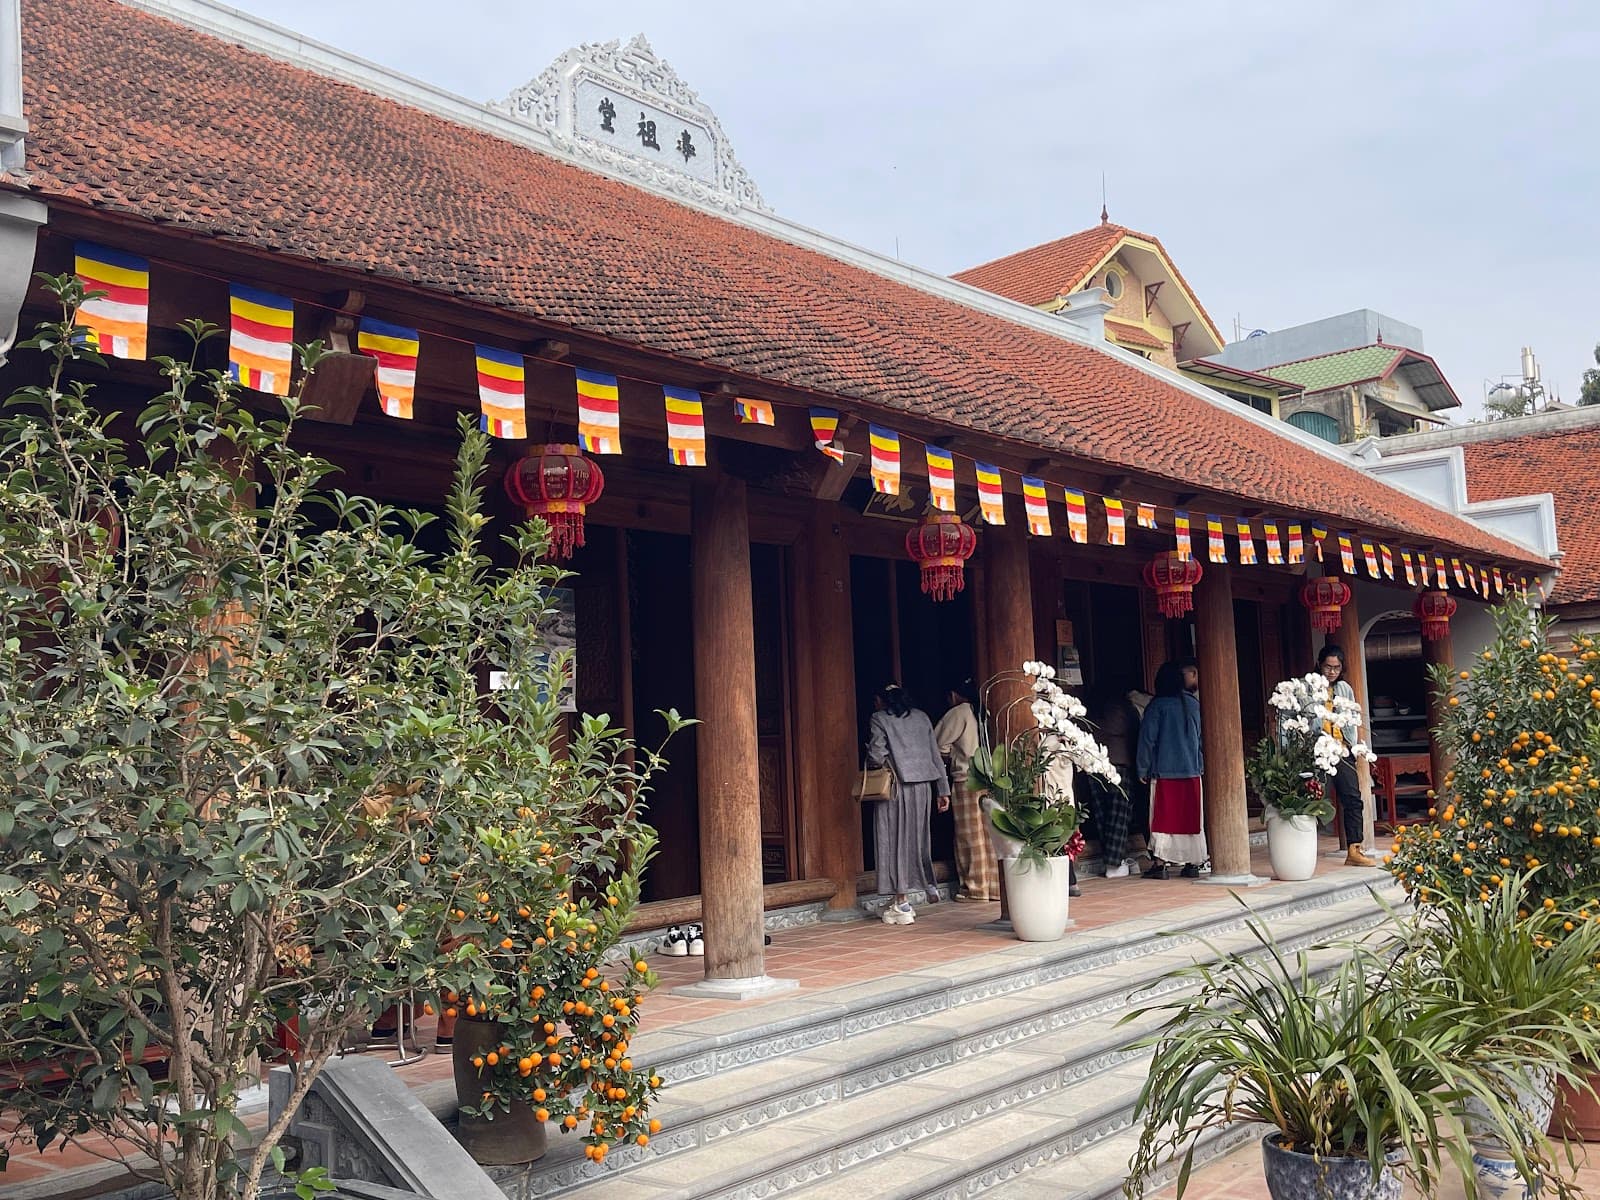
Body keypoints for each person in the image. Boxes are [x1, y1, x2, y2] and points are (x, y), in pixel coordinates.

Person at [866, 683, 952, 924]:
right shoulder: (922, 717)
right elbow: (935, 754)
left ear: (882, 701)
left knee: (892, 840)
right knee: (917, 839)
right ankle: (927, 885)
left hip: (896, 786)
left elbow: (876, 755)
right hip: (924, 787)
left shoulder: (879, 718)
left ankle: (902, 902)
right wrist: (943, 789)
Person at [1136, 661, 1207, 879]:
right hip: (1192, 771)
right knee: (1192, 821)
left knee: (1163, 821)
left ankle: (1160, 864)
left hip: (1165, 772)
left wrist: (1142, 768)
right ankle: (1193, 863)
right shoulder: (1193, 705)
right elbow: (1200, 740)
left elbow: (1147, 740)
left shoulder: (1157, 706)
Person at [934, 679, 996, 902]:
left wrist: (949, 755)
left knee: (969, 835)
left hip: (966, 777)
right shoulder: (983, 711)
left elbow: (937, 742)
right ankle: (995, 887)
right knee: (989, 834)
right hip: (988, 776)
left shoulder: (958, 712)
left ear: (953, 695)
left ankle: (976, 887)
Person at [1317, 645, 1376, 868]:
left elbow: (1352, 718)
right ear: (1320, 664)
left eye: (1336, 667)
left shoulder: (1344, 688)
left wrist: (1353, 746)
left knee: (1352, 799)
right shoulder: (1311, 686)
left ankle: (1355, 849)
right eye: (1328, 667)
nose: (1332, 672)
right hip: (1318, 750)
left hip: (1342, 749)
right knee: (1312, 799)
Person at [1092, 685, 1140, 878]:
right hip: (1119, 764)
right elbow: (1132, 728)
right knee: (1119, 817)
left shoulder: (1091, 708)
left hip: (1094, 765)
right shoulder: (1122, 707)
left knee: (1102, 815)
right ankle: (1114, 863)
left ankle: (1112, 860)